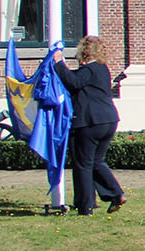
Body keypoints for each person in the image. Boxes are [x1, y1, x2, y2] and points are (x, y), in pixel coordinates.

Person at [52, 35, 125, 216]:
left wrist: (59, 63)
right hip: (108, 120)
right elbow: (77, 78)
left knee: (83, 163)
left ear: (84, 51)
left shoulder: (89, 69)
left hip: (89, 122)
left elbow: (73, 82)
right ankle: (113, 194)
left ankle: (86, 206)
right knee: (96, 161)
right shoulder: (101, 69)